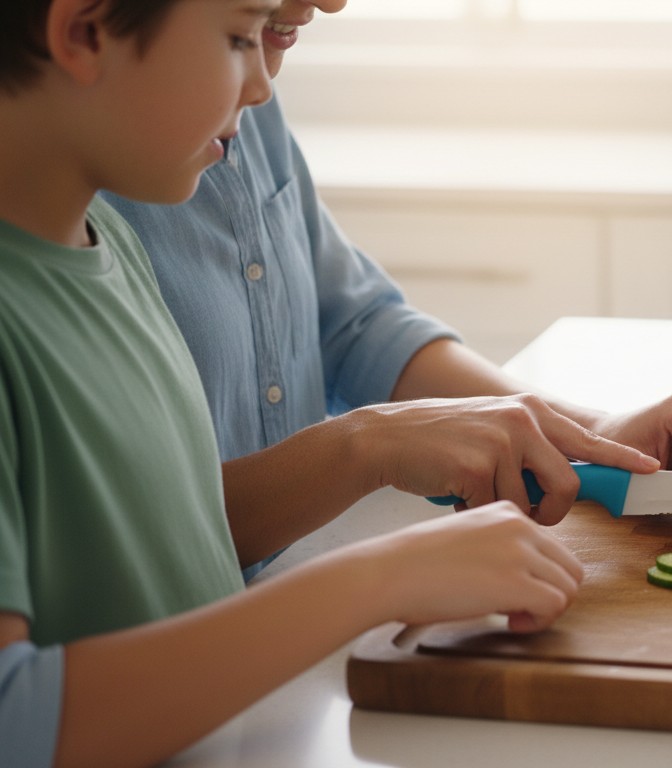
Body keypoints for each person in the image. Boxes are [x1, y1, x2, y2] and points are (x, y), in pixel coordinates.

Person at [0, 1, 586, 765]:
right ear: (85, 31)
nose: (261, 87)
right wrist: (381, 577)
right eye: (237, 38)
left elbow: (175, 541)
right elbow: (15, 719)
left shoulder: (106, 240)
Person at [102, 0, 672, 581]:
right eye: (234, 38)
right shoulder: (89, 193)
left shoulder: (247, 99)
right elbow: (120, 539)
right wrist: (367, 450)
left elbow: (358, 327)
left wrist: (592, 434)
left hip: (286, 593)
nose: (335, 3)